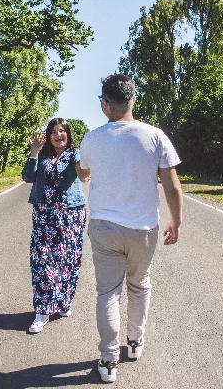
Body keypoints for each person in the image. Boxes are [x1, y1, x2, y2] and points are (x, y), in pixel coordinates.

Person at [77, 75, 183, 382]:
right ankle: (135, 342)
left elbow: (82, 170)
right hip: (143, 228)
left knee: (108, 292)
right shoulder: (155, 136)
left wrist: (83, 169)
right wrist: (176, 221)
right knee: (139, 284)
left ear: (104, 104)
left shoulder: (92, 138)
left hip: (104, 227)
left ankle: (108, 360)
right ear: (134, 100)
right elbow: (172, 185)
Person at [22, 118, 87, 333]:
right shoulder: (42, 155)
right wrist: (33, 152)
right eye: (54, 131)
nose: (58, 135)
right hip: (44, 215)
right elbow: (27, 177)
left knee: (69, 260)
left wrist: (84, 169)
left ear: (68, 134)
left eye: (62, 131)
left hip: (71, 215)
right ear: (49, 136)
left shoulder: (75, 153)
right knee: (42, 261)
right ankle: (42, 312)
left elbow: (82, 172)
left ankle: (64, 302)